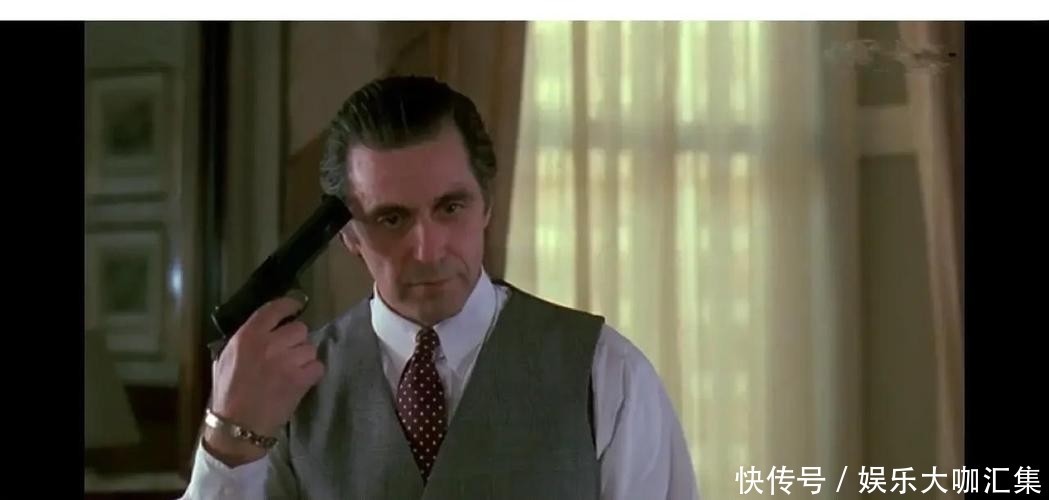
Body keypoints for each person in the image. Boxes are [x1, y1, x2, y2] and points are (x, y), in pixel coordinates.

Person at [180, 75, 700, 499]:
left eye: (451, 207)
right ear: (348, 235)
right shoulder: (287, 396)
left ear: (487, 205)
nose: (428, 250)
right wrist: (229, 442)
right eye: (391, 219)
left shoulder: (607, 375)